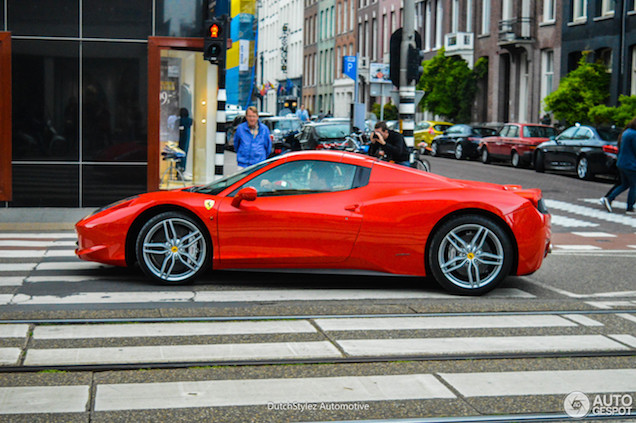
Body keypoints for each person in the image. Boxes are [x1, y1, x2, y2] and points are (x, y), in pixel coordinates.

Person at [600, 117, 636, 215]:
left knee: (625, 184)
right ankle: (629, 208)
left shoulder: (626, 132)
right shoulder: (634, 135)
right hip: (631, 165)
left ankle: (608, 198)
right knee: (634, 186)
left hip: (622, 163)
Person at [177, 108, 192, 178]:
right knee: (184, 153)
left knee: (179, 154)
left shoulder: (180, 121)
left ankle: (179, 170)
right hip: (186, 138)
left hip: (181, 139)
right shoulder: (189, 121)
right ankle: (182, 169)